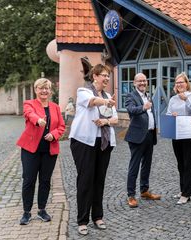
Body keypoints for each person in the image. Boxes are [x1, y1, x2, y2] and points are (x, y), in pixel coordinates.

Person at [69, 64, 118, 235]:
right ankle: (82, 221)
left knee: (99, 180)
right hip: (83, 141)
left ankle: (97, 216)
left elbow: (115, 119)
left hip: (104, 142)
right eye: (104, 75)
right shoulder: (84, 91)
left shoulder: (107, 95)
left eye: (108, 76)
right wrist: (106, 102)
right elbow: (91, 102)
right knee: (85, 180)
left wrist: (105, 121)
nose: (106, 79)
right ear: (95, 76)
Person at [16, 78, 65, 225]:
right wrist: (38, 120)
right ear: (36, 89)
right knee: (29, 181)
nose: (44, 91)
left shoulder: (55, 107)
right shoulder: (29, 104)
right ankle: (26, 212)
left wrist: (54, 134)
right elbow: (29, 114)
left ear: (50, 91)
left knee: (45, 181)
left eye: (47, 88)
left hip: (49, 150)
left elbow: (62, 126)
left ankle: (42, 209)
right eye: (41, 88)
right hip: (31, 150)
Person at [125, 73, 161, 208]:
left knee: (147, 164)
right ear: (134, 83)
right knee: (134, 166)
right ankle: (131, 195)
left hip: (150, 135)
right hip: (137, 136)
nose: (142, 83)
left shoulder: (147, 95)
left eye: (144, 81)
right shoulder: (131, 96)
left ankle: (144, 190)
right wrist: (143, 108)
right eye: (139, 81)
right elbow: (130, 110)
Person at [167, 72, 191, 205]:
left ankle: (186, 194)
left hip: (189, 133)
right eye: (177, 83)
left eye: (182, 82)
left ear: (187, 84)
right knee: (180, 163)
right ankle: (182, 189)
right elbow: (168, 113)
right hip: (176, 133)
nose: (179, 84)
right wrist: (171, 115)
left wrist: (186, 99)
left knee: (188, 163)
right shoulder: (173, 99)